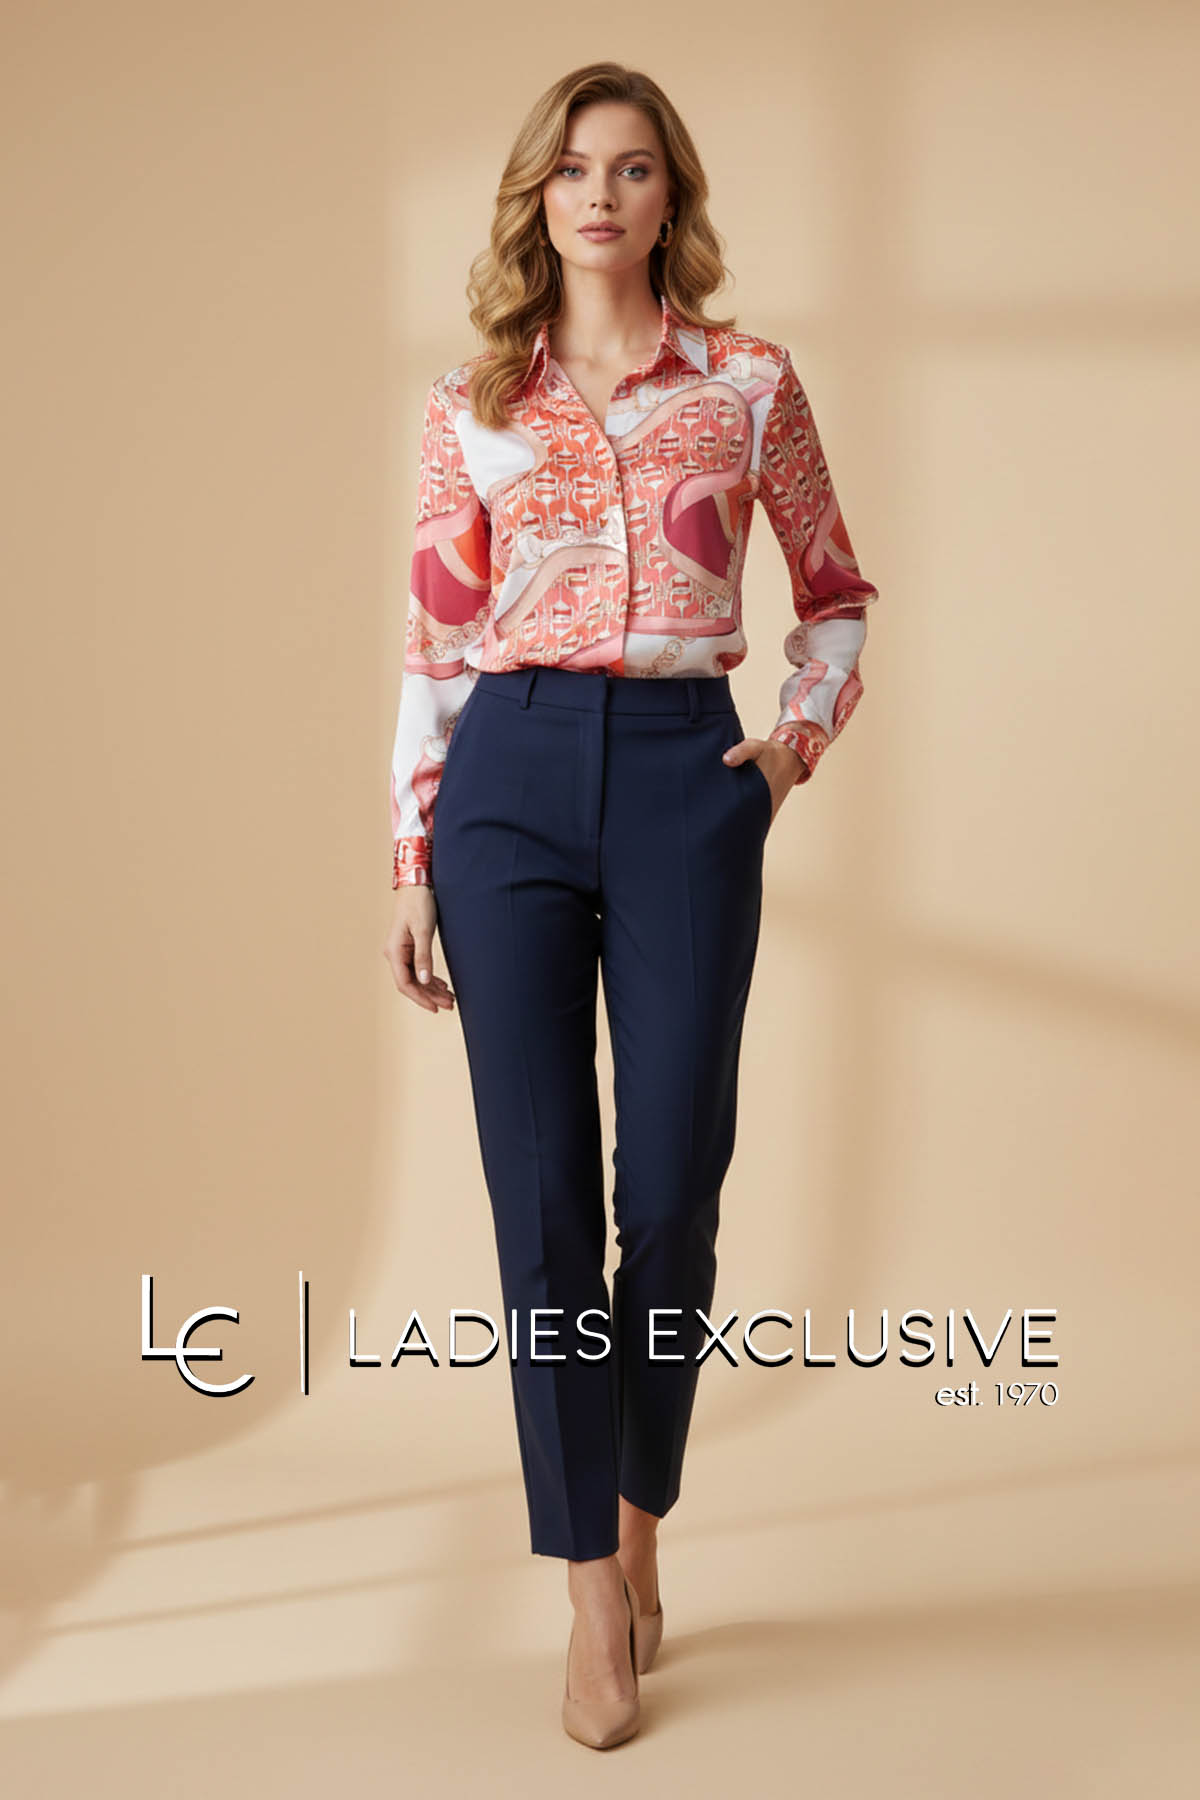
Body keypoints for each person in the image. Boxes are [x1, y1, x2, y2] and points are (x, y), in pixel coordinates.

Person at [382, 61, 880, 1749]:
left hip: (683, 776)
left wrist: (789, 749)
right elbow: (435, 649)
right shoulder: (471, 404)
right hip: (508, 782)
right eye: (573, 169)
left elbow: (836, 595)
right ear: (538, 195)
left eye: (635, 167)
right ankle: (592, 1585)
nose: (601, 195)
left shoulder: (749, 384)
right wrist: (411, 859)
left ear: (674, 197)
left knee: (669, 1188)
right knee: (540, 1208)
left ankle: (640, 1507)